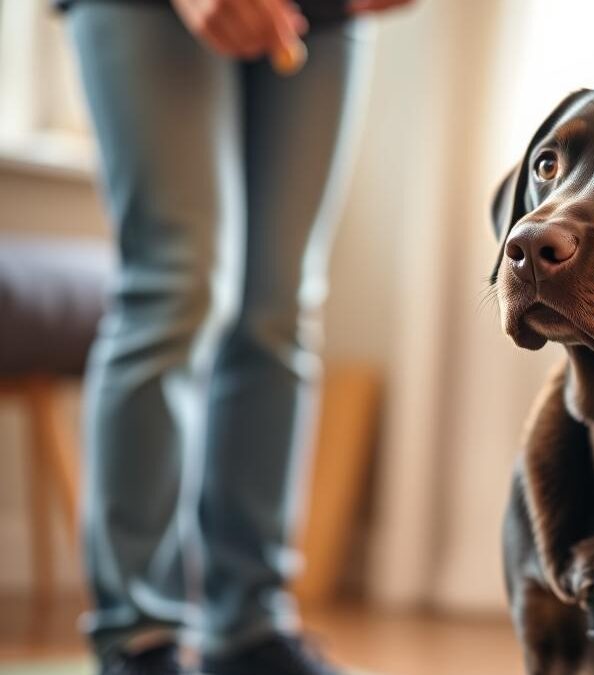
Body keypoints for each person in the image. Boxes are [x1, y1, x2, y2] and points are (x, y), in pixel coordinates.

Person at [58, 0, 407, 673]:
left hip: (324, 18)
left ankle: (247, 624)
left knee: (279, 307)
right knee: (176, 286)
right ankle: (138, 634)